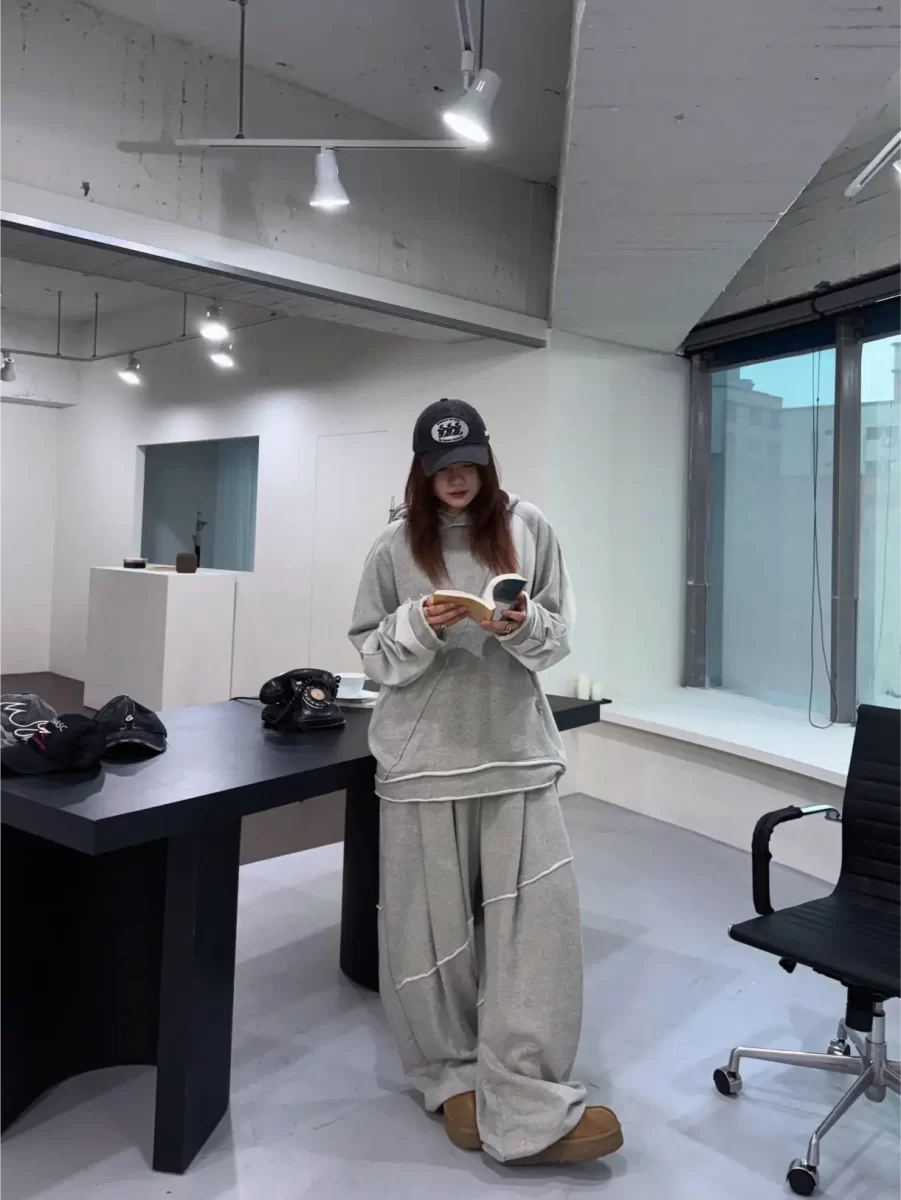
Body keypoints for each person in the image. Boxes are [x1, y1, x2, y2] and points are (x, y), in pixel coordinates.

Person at [348, 398, 622, 1165]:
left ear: (486, 459)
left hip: (514, 754)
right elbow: (369, 650)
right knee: (426, 935)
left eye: (468, 461)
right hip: (422, 760)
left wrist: (520, 625)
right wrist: (418, 627)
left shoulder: (528, 528)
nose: (457, 477)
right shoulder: (392, 545)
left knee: (536, 934)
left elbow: (556, 636)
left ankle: (526, 1096)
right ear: (422, 470)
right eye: (442, 467)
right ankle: (449, 1078)